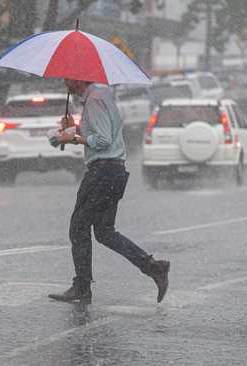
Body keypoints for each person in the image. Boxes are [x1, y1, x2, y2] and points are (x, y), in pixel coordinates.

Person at [48, 78, 170, 305]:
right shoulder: (102, 96)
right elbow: (105, 133)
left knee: (79, 226)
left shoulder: (94, 101)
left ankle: (82, 287)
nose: (64, 81)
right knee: (104, 232)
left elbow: (103, 140)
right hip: (114, 171)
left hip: (102, 172)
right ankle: (154, 267)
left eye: (67, 78)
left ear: (79, 78)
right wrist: (74, 127)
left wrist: (72, 137)